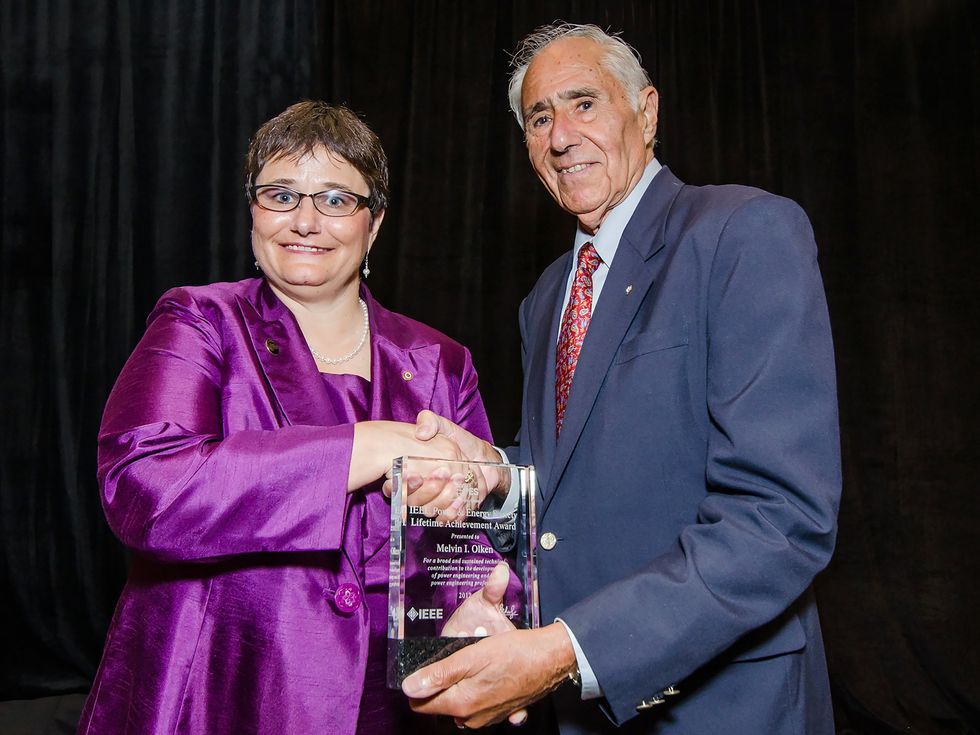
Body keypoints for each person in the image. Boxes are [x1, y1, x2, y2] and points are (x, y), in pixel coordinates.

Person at [400, 23, 842, 735]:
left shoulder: (742, 232)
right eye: (539, 118)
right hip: (585, 711)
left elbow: (781, 519)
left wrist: (568, 650)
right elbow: (572, 492)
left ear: (647, 111)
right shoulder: (547, 296)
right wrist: (496, 478)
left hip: (726, 706)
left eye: (584, 103)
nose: (561, 136)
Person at [77, 101, 489, 734]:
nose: (305, 221)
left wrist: (478, 613)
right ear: (254, 211)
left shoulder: (442, 362)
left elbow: (472, 548)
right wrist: (364, 446)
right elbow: (146, 492)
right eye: (281, 195)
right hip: (222, 690)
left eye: (335, 200)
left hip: (395, 706)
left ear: (374, 224)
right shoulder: (200, 322)